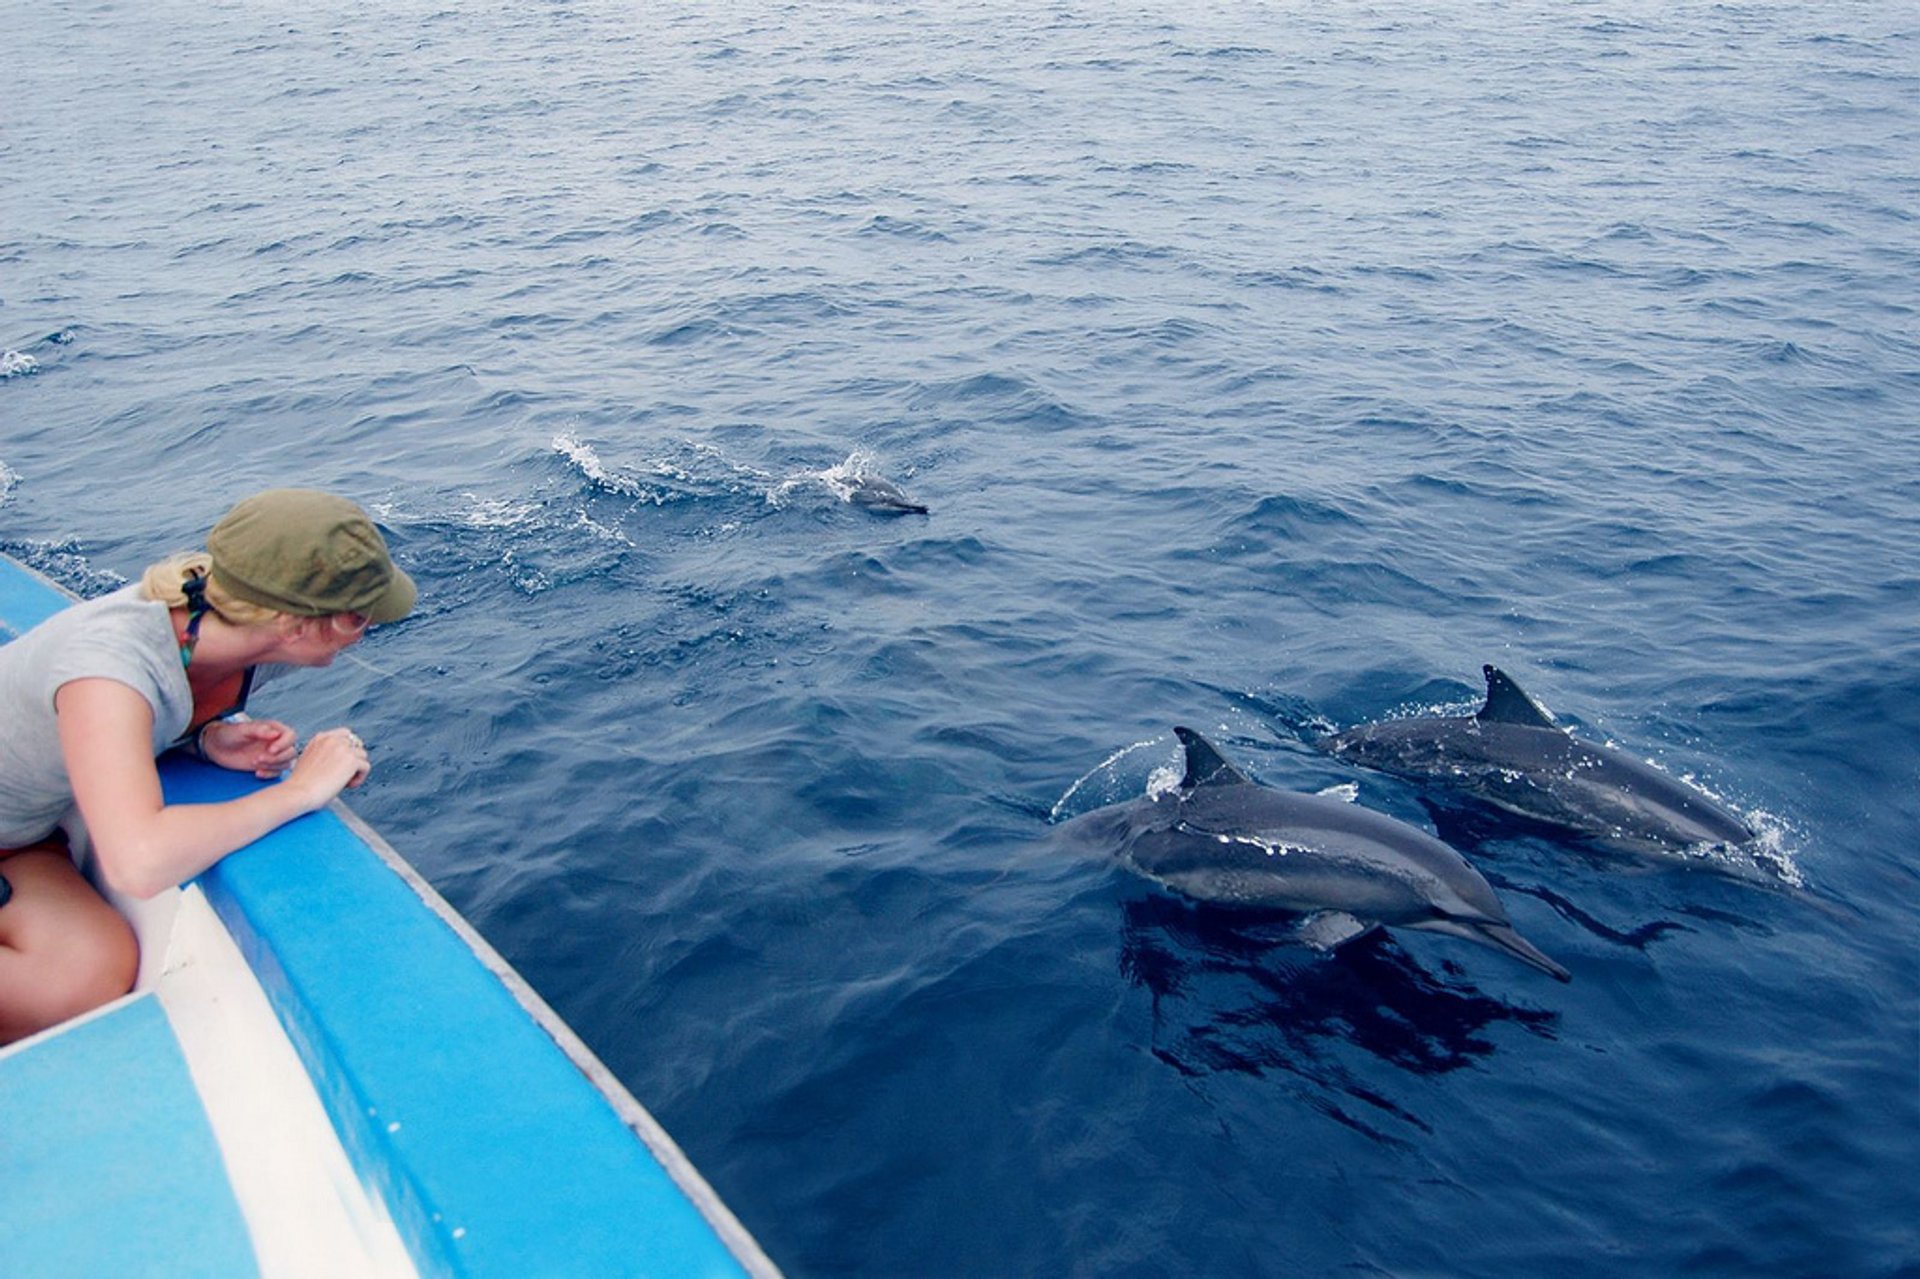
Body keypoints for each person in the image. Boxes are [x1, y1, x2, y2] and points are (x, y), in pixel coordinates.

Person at [0, 488, 414, 1044]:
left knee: (89, 971)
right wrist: (301, 791)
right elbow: (137, 863)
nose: (369, 630)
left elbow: (131, 717)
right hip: (21, 837)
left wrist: (202, 739)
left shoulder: (216, 633)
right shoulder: (108, 667)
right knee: (70, 983)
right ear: (297, 627)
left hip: (19, 838)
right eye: (360, 617)